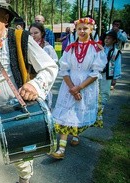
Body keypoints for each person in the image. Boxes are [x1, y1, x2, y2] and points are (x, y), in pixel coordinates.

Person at [0, 1, 58, 182]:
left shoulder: (20, 38)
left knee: (22, 162)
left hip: (15, 116)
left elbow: (50, 67)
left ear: (6, 18)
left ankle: (24, 180)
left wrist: (34, 85)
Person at [50, 17, 107, 160]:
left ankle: (75, 134)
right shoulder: (70, 48)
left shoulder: (96, 49)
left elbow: (96, 72)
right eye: (79, 28)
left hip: (87, 86)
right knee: (65, 116)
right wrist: (72, 88)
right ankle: (61, 149)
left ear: (91, 29)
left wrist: (79, 88)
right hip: (69, 85)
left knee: (77, 113)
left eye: (85, 28)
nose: (82, 31)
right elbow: (64, 69)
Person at [29, 22, 58, 109]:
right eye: (31, 33)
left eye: (36, 33)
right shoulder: (27, 46)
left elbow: (53, 64)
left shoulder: (47, 48)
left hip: (41, 80)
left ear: (42, 33)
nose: (33, 35)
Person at [100, 31, 121, 111]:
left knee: (105, 91)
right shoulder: (100, 48)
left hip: (108, 74)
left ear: (114, 40)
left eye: (109, 38)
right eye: (106, 38)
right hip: (97, 73)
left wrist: (115, 78)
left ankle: (101, 108)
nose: (106, 40)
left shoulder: (116, 52)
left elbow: (117, 65)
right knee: (95, 90)